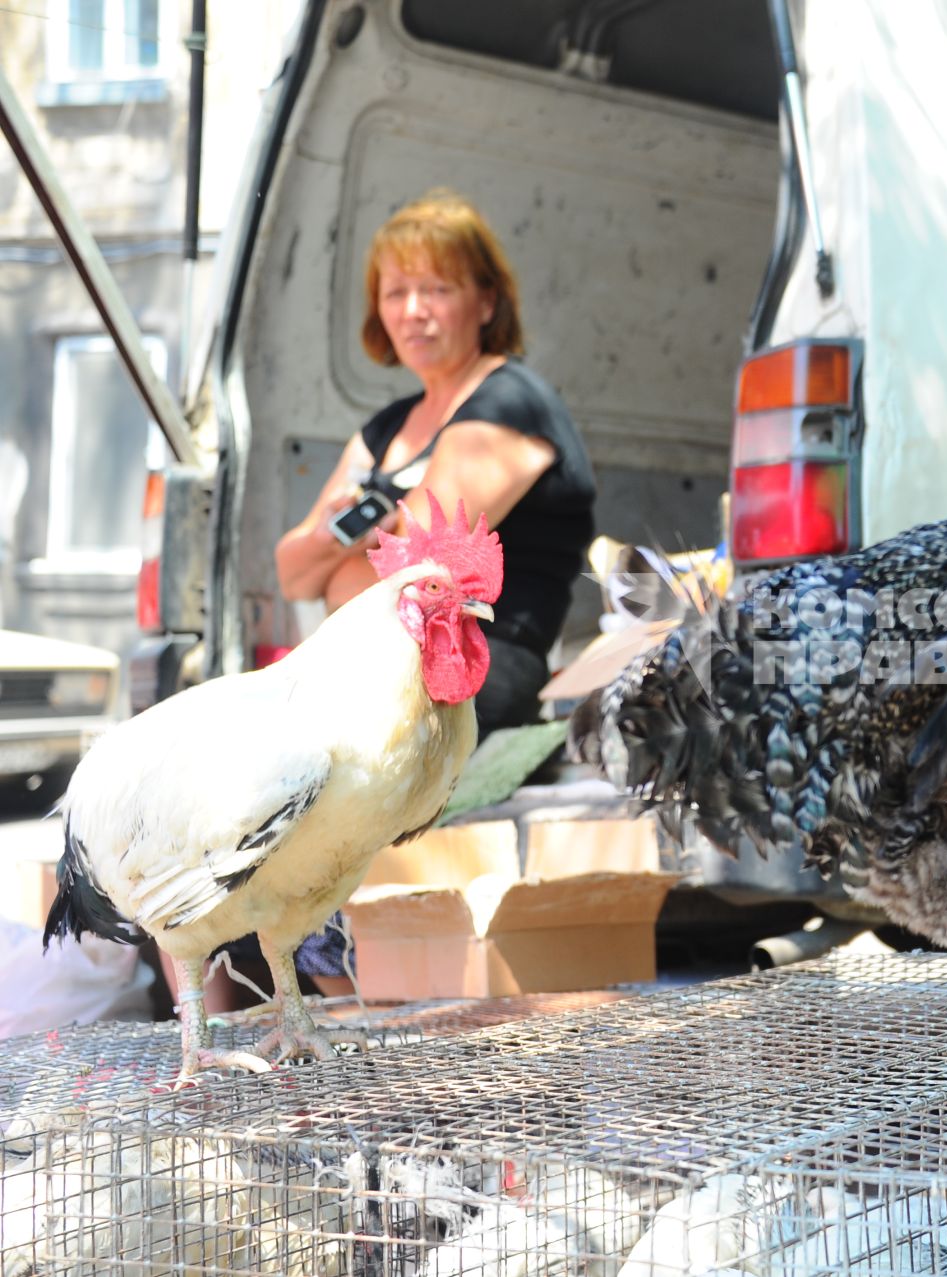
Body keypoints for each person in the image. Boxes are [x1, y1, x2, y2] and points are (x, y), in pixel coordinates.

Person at [183, 189, 598, 1017]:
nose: (413, 310)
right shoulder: (388, 425)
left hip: (475, 664)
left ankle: (342, 991)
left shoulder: (510, 402)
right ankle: (233, 1007)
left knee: (330, 802)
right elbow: (295, 567)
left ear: (486, 298)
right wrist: (361, 535)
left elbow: (411, 562)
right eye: (394, 291)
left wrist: (354, 525)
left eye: (436, 288)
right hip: (368, 672)